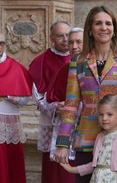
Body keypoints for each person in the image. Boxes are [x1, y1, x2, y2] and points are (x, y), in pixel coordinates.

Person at [53, 6, 117, 183]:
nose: (104, 27)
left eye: (108, 23)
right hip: (85, 140)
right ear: (90, 30)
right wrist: (62, 143)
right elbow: (71, 104)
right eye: (98, 23)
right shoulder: (78, 61)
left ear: (114, 29)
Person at [28, 20, 73, 183]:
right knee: (53, 170)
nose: (65, 39)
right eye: (60, 36)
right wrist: (55, 107)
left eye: (68, 35)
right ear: (51, 38)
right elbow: (38, 94)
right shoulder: (41, 61)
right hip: (53, 118)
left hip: (77, 120)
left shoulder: (79, 59)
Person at [45, 27, 84, 176]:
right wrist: (57, 107)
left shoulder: (97, 66)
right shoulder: (64, 70)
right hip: (68, 130)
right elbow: (51, 100)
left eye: (78, 42)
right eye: (71, 42)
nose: (74, 47)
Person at [0, 32, 33, 183]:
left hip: (8, 123)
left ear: (5, 45)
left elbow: (26, 99)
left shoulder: (16, 68)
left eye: (0, 43)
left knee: (9, 167)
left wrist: (8, 96)